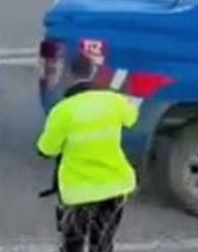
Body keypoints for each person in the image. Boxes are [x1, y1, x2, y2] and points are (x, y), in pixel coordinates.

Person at [37, 55, 138, 252]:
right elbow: (131, 118)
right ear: (94, 72)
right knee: (102, 244)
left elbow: (46, 150)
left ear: (68, 76)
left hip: (77, 192)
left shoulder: (62, 111)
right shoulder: (114, 101)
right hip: (115, 185)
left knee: (72, 245)